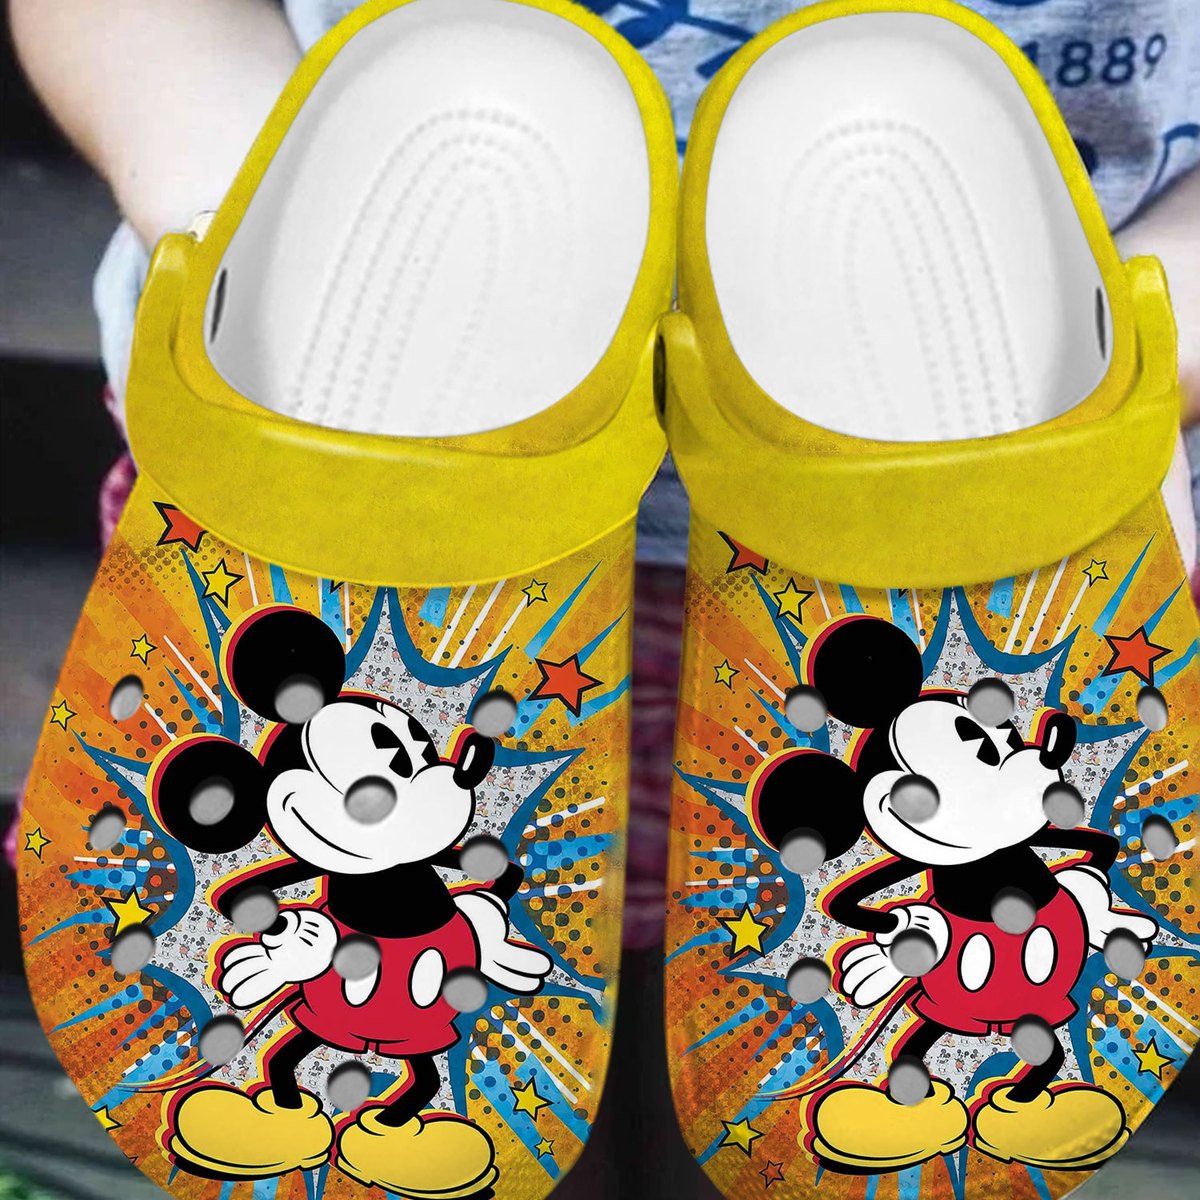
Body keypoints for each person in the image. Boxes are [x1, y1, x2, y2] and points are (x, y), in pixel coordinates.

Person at [8, 1, 1200, 934]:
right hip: (332, 459)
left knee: (790, 1024)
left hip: (1022, 466)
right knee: (476, 961)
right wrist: (243, 217)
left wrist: (1155, 341)